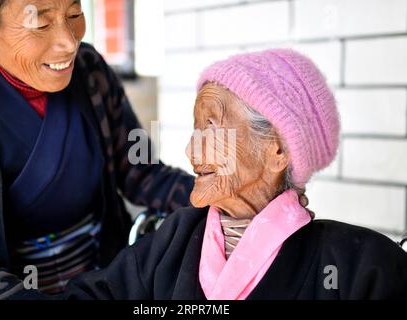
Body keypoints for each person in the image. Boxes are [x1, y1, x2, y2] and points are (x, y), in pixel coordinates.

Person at [65, 49, 407, 300]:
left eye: (212, 129)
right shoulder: (174, 239)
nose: (191, 151)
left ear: (278, 151)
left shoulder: (360, 265)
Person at [0, 0, 194, 298]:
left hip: (107, 280)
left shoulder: (89, 68)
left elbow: (141, 171)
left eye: (74, 13)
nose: (69, 42)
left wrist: (223, 199)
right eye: (40, 23)